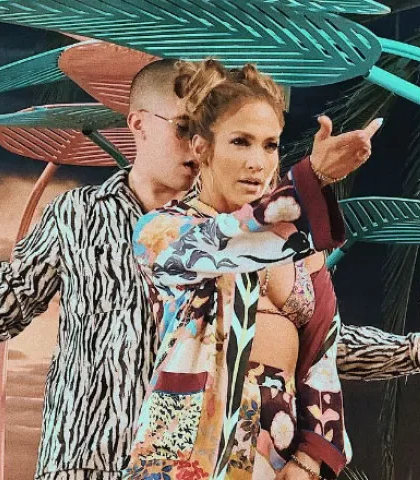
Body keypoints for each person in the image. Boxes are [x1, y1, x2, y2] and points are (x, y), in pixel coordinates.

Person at [0, 59, 420, 480]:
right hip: (85, 462)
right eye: (184, 127)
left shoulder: (252, 234)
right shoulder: (89, 218)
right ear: (138, 124)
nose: (198, 145)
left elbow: (309, 346)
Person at [130, 59, 348, 480]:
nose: (257, 162)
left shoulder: (299, 247)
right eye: (240, 142)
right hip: (193, 445)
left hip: (281, 445)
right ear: (202, 148)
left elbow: (323, 352)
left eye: (270, 145)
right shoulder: (164, 230)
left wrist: (308, 460)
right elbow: (232, 243)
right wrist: (311, 178)